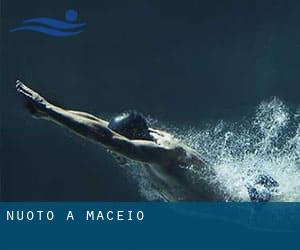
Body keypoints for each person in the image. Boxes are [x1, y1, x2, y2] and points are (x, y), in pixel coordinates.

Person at [15, 80, 278, 201]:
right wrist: (51, 113)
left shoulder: (162, 154)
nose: (110, 151)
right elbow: (99, 126)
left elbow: (106, 137)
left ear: (132, 140)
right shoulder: (146, 138)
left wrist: (48, 109)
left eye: (115, 146)